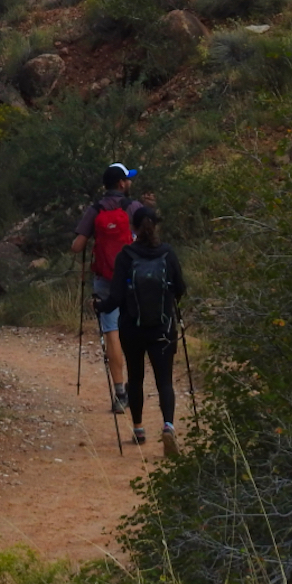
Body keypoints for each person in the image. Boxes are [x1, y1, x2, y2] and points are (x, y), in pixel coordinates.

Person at [93, 205, 186, 457]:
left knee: (135, 378)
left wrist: (99, 306)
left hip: (132, 328)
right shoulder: (168, 253)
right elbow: (180, 288)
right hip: (163, 327)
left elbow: (115, 297)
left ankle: (139, 428)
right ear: (156, 226)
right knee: (164, 379)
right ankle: (168, 425)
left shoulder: (126, 255)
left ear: (133, 228)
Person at [72, 163, 147, 413]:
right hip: (133, 280)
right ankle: (136, 385)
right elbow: (151, 239)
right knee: (136, 331)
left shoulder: (95, 210)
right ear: (121, 184)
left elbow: (77, 246)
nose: (130, 183)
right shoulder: (134, 207)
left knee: (111, 332)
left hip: (105, 281)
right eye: (128, 179)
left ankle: (119, 393)